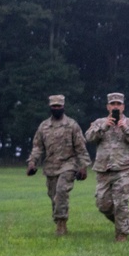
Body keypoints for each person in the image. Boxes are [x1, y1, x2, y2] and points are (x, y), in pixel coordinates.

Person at [84, 92, 129, 242]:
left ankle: (122, 235)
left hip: (124, 168)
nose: (116, 106)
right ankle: (123, 222)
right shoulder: (100, 122)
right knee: (102, 204)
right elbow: (88, 137)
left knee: (121, 203)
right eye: (113, 104)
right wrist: (104, 127)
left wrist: (126, 129)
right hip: (103, 169)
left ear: (123, 107)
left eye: (118, 104)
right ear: (108, 106)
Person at [26, 94, 91, 236]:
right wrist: (32, 163)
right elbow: (37, 147)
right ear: (50, 107)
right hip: (50, 167)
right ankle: (60, 222)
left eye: (59, 106)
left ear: (63, 107)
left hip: (68, 165)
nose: (56, 108)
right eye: (54, 106)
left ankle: (61, 224)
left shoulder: (72, 125)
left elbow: (80, 147)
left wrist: (83, 166)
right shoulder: (44, 126)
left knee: (61, 192)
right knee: (53, 196)